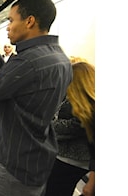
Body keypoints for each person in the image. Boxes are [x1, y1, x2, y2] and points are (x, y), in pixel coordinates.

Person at [0, 0, 72, 196]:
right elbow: (14, 83)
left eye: (11, 20)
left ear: (30, 21)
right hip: (36, 158)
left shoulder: (29, 60)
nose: (8, 27)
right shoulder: (58, 57)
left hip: (13, 164)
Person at [45, 61, 95, 196]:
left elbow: (72, 127)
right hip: (73, 159)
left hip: (71, 159)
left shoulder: (86, 106)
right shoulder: (84, 102)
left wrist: (49, 125)